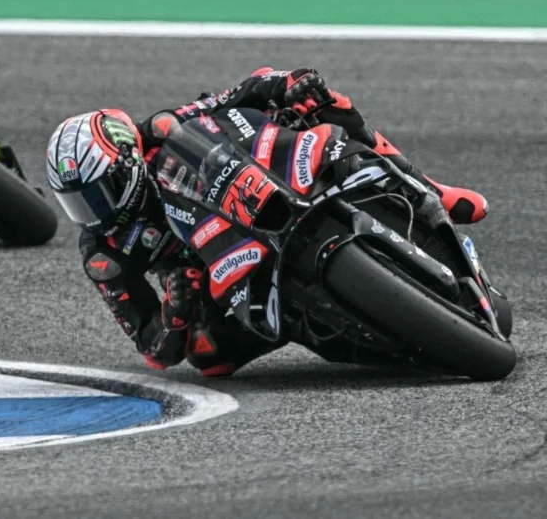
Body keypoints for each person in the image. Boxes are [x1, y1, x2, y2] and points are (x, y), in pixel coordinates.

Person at [45, 68, 489, 377]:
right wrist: (174, 314)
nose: (93, 213)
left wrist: (289, 83)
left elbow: (241, 93)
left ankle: (428, 188)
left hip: (257, 184)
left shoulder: (159, 129)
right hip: (213, 268)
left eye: (99, 194)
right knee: (208, 357)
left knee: (323, 103)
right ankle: (344, 330)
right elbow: (152, 348)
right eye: (77, 203)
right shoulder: (103, 253)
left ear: (127, 162)